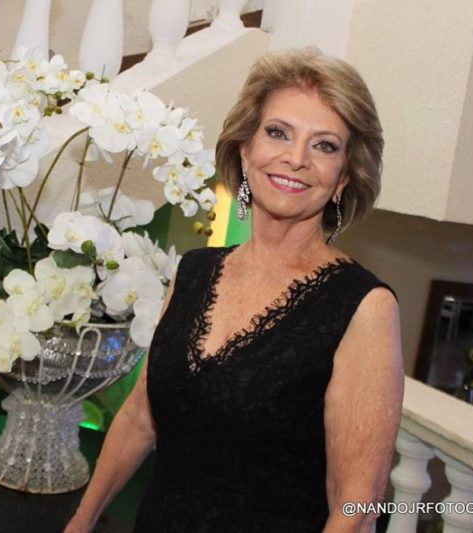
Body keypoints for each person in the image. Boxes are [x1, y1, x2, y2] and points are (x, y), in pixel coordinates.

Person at [65, 48, 404, 533]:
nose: (296, 158)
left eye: (325, 145)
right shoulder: (194, 272)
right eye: (278, 132)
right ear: (245, 150)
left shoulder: (363, 307)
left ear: (343, 179)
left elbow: (357, 507)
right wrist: (81, 521)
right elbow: (140, 416)